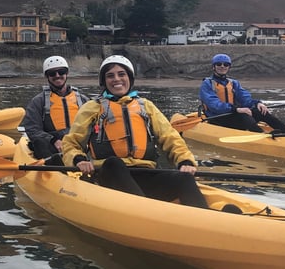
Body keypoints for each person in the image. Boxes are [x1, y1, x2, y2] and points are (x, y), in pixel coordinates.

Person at [61, 55, 209, 209]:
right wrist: (78, 159)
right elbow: (71, 143)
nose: (116, 79)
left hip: (144, 173)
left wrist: (185, 161)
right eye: (110, 76)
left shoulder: (146, 106)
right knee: (113, 163)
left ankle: (206, 216)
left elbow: (170, 138)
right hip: (108, 175)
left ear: (129, 78)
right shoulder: (92, 108)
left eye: (121, 74)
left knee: (184, 178)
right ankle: (144, 211)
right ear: (104, 81)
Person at [199, 53, 285, 133]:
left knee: (261, 111)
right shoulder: (207, 84)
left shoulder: (233, 83)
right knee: (244, 115)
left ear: (229, 67)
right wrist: (236, 109)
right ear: (214, 67)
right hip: (217, 118)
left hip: (232, 114)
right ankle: (262, 135)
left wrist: (257, 103)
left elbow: (245, 99)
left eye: (226, 64)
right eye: (219, 64)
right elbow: (214, 105)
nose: (222, 66)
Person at [23, 56, 89, 158]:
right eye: (52, 73)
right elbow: (32, 129)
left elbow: (95, 126)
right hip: (53, 147)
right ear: (47, 76)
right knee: (39, 142)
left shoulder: (84, 100)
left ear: (67, 73)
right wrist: (53, 140)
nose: (57, 76)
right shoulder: (38, 101)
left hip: (78, 144)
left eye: (61, 72)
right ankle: (52, 164)